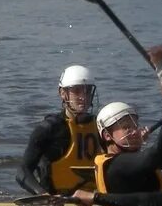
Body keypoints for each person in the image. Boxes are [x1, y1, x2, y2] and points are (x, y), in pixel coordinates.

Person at [15, 65, 102, 194]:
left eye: (87, 91)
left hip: (92, 199)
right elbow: (23, 171)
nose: (83, 97)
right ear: (63, 93)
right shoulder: (48, 129)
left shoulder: (101, 126)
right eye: (77, 91)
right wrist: (42, 194)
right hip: (57, 201)